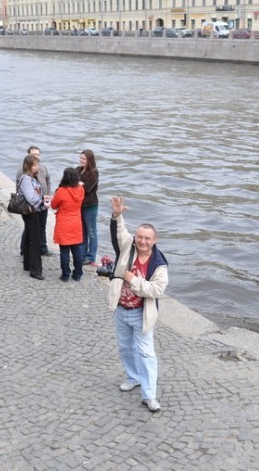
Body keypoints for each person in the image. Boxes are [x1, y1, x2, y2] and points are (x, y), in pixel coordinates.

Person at [108, 195, 169, 412]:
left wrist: (135, 282)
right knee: (125, 348)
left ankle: (149, 395)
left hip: (141, 313)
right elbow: (119, 233)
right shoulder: (129, 248)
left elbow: (156, 290)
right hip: (121, 310)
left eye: (147, 239)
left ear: (154, 240)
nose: (142, 241)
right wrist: (117, 214)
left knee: (146, 354)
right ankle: (133, 377)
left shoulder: (159, 265)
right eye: (140, 237)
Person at [15, 146, 53, 256]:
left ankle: (43, 248)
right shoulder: (22, 171)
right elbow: (19, 186)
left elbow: (48, 181)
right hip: (30, 204)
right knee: (29, 227)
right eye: (33, 154)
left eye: (38, 154)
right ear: (28, 155)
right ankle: (24, 250)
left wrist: (48, 195)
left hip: (43, 201)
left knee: (42, 225)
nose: (36, 157)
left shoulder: (43, 168)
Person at [50, 168, 85, 282]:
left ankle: (65, 274)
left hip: (64, 222)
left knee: (64, 250)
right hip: (76, 222)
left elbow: (54, 205)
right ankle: (78, 273)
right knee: (77, 249)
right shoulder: (80, 190)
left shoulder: (61, 191)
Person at [18, 154, 46, 280]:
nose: (37, 167)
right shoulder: (27, 179)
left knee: (30, 237)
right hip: (31, 212)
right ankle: (35, 270)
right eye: (35, 165)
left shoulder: (31, 178)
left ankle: (28, 265)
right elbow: (31, 197)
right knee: (35, 240)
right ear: (29, 166)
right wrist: (42, 204)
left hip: (33, 212)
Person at [76, 149, 99, 267]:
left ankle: (91, 257)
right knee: (82, 231)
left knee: (92, 231)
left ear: (89, 160)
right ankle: (82, 254)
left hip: (90, 205)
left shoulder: (93, 173)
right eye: (80, 158)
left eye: (84, 159)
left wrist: (78, 184)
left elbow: (86, 188)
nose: (81, 160)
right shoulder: (78, 170)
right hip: (79, 205)